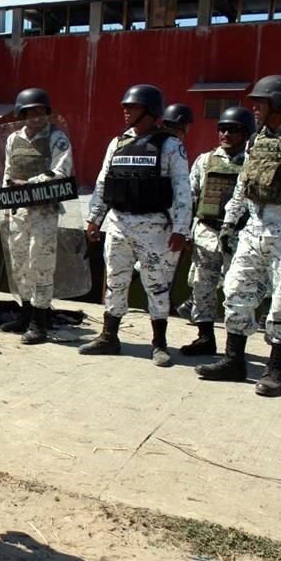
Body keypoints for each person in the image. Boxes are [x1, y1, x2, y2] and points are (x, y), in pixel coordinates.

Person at [196, 75, 281, 396]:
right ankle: (234, 361)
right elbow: (243, 187)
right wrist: (228, 224)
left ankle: (275, 371)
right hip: (253, 233)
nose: (254, 108)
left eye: (261, 102)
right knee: (235, 292)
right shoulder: (256, 141)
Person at [80, 85, 191, 366]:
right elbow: (104, 183)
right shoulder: (117, 143)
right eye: (125, 106)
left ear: (150, 112)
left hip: (155, 228)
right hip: (119, 224)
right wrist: (94, 219)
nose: (126, 111)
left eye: (132, 107)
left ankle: (159, 343)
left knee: (157, 285)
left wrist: (181, 229)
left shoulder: (170, 145)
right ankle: (109, 336)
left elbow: (181, 189)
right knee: (115, 282)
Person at [0, 88, 74, 344]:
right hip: (19, 211)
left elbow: (62, 171)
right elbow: (7, 173)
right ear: (22, 114)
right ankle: (25, 312)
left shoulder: (57, 138)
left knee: (41, 265)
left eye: (40, 111)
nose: (36, 117)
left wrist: (29, 183)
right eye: (30, 112)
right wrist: (7, 205)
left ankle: (39, 322)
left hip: (44, 211)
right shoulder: (13, 139)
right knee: (20, 264)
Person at [179, 106, 256, 356]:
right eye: (222, 129)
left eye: (233, 130)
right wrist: (186, 230)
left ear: (246, 133)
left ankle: (235, 348)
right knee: (201, 287)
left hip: (239, 236)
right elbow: (191, 195)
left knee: (238, 290)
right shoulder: (205, 160)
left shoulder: (253, 162)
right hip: (206, 232)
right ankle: (205, 337)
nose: (226, 134)